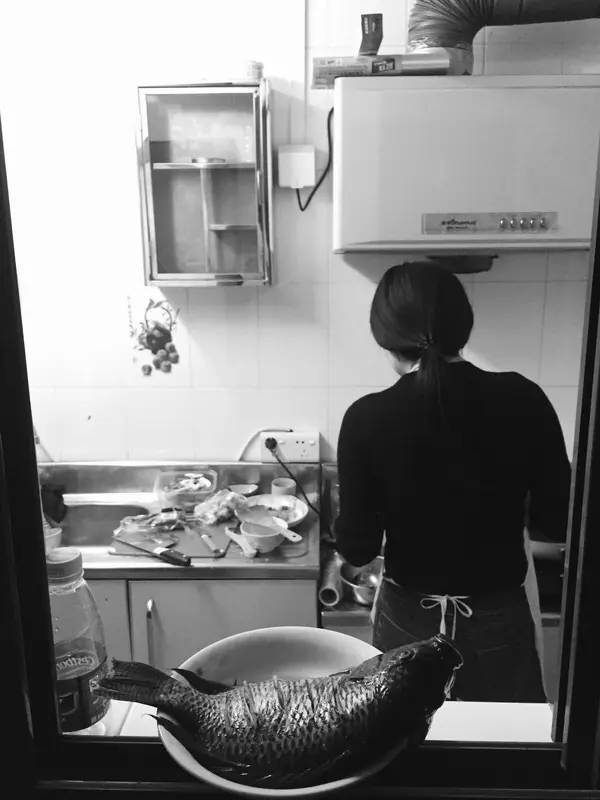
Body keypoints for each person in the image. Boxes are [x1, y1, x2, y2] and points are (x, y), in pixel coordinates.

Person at [334, 261, 571, 702]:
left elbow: (357, 548)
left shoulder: (366, 418)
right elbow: (557, 521)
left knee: (400, 735)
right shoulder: (524, 398)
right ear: (463, 324)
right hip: (499, 616)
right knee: (503, 737)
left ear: (384, 336)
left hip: (407, 620)